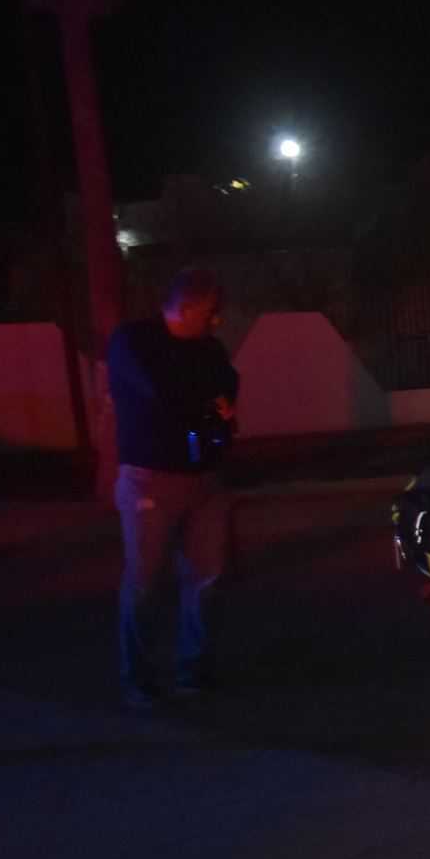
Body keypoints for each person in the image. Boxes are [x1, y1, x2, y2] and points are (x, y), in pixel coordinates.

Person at [107, 268, 240, 710]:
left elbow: (227, 391)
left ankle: (193, 670)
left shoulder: (209, 349)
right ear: (183, 307)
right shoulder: (134, 342)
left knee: (208, 577)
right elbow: (166, 394)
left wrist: (211, 408)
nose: (215, 321)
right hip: (151, 477)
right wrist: (207, 404)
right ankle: (138, 680)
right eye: (209, 312)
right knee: (144, 581)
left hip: (205, 477)